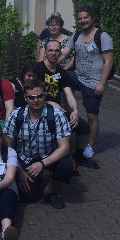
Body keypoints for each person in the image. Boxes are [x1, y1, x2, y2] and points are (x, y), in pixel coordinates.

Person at [3, 79, 75, 209]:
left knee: (68, 165)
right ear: (25, 98)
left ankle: (50, 190)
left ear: (45, 96)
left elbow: (65, 147)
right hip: (25, 158)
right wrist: (19, 170)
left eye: (40, 96)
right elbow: (8, 147)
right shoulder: (15, 115)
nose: (36, 100)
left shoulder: (56, 114)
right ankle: (35, 179)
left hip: (48, 155)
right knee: (29, 196)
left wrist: (42, 164)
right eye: (31, 97)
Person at [59, 6, 114, 167]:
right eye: (80, 18)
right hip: (78, 76)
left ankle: (90, 145)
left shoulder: (102, 37)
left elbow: (108, 62)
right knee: (58, 79)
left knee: (91, 116)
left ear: (92, 18)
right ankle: (64, 110)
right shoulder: (76, 36)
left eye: (85, 18)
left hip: (93, 82)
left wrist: (101, 84)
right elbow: (65, 53)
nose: (82, 21)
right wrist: (48, 64)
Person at [38, 40, 94, 168]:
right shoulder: (38, 69)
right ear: (45, 52)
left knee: (83, 126)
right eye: (50, 50)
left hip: (58, 110)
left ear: (60, 53)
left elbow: (69, 94)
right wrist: (49, 102)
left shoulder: (61, 72)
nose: (53, 53)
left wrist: (75, 110)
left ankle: (79, 156)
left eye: (56, 51)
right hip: (38, 108)